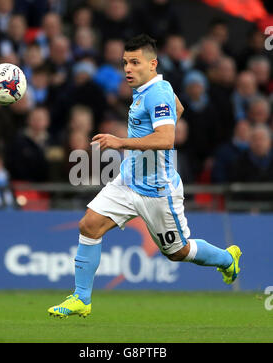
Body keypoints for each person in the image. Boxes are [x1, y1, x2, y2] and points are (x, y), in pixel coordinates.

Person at [48, 34, 242, 319]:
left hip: (157, 191)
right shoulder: (153, 88)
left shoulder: (156, 92)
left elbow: (165, 139)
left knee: (177, 251)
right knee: (89, 225)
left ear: (152, 64)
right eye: (125, 62)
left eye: (135, 62)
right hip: (128, 180)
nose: (128, 68)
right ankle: (81, 298)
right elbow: (179, 109)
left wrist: (120, 142)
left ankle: (227, 259)